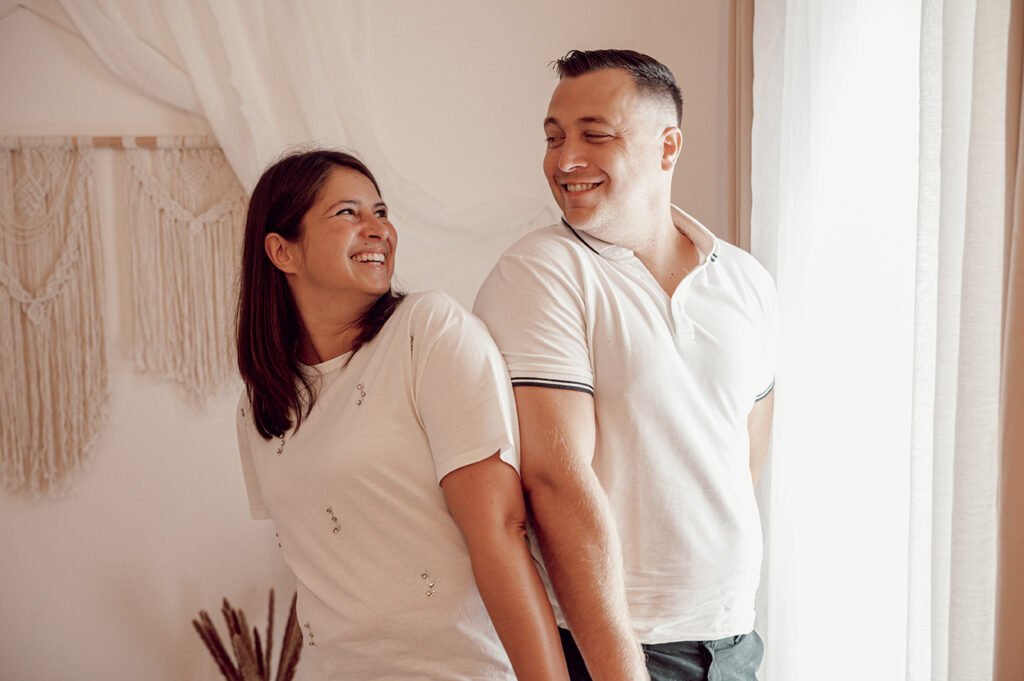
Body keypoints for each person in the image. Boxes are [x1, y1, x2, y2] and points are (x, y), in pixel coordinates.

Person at [473, 49, 777, 681]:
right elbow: (554, 481)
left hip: (733, 641)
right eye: (554, 138)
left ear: (668, 148)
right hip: (612, 652)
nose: (564, 160)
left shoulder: (746, 281)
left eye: (596, 135)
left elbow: (742, 452)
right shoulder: (541, 271)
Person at [234, 149, 568, 680]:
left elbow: (502, 532)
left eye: (381, 212)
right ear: (282, 251)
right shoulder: (264, 404)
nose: (378, 230)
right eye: (348, 213)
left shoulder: (426, 331)